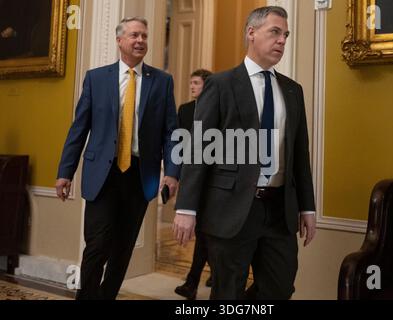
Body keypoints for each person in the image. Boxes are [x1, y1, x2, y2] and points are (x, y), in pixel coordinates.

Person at [173, 6, 316, 300]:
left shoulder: (292, 90)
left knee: (280, 287)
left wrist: (308, 207)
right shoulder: (220, 84)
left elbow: (300, 154)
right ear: (251, 33)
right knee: (227, 292)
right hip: (230, 209)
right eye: (275, 32)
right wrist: (186, 208)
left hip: (279, 210)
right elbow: (199, 149)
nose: (282, 41)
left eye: (285, 35)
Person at [55, 17, 179, 300]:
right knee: (97, 245)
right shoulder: (96, 78)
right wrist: (65, 171)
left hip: (139, 174)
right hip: (102, 174)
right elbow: (79, 128)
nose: (141, 41)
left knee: (123, 249)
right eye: (135, 35)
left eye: (145, 36)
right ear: (120, 40)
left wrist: (171, 172)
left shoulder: (161, 81)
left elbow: (171, 132)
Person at [174, 69, 213, 300]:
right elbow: (179, 144)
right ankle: (198, 280)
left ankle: (192, 282)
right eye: (191, 83)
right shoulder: (185, 110)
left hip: (213, 180)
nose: (192, 87)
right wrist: (176, 176)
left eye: (196, 83)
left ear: (206, 86)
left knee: (206, 231)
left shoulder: (220, 107)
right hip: (191, 176)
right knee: (205, 231)